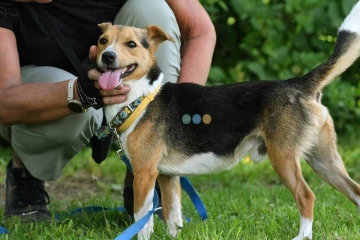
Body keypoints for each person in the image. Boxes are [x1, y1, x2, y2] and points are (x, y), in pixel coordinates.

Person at [0, 0, 216, 222]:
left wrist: (178, 112)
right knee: (77, 109)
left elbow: (200, 30)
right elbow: (4, 104)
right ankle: (26, 172)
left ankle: (146, 171)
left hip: (125, 78)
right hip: (41, 83)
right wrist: (78, 92)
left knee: (152, 7)